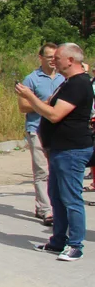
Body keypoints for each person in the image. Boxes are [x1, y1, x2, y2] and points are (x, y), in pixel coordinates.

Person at [18, 43, 94, 262]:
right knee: (56, 197)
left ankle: (75, 245)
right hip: (60, 149)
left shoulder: (78, 84)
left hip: (72, 150)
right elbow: (50, 105)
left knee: (71, 199)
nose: (54, 61)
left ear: (70, 60)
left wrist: (29, 95)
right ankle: (57, 241)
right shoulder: (68, 83)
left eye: (58, 57)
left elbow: (53, 114)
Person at [18, 43, 63, 225]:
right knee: (41, 170)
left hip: (58, 130)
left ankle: (49, 205)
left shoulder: (63, 78)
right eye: (49, 57)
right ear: (41, 58)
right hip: (36, 128)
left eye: (55, 57)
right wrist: (42, 103)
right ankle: (46, 210)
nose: (53, 60)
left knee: (57, 169)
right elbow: (23, 107)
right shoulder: (31, 79)